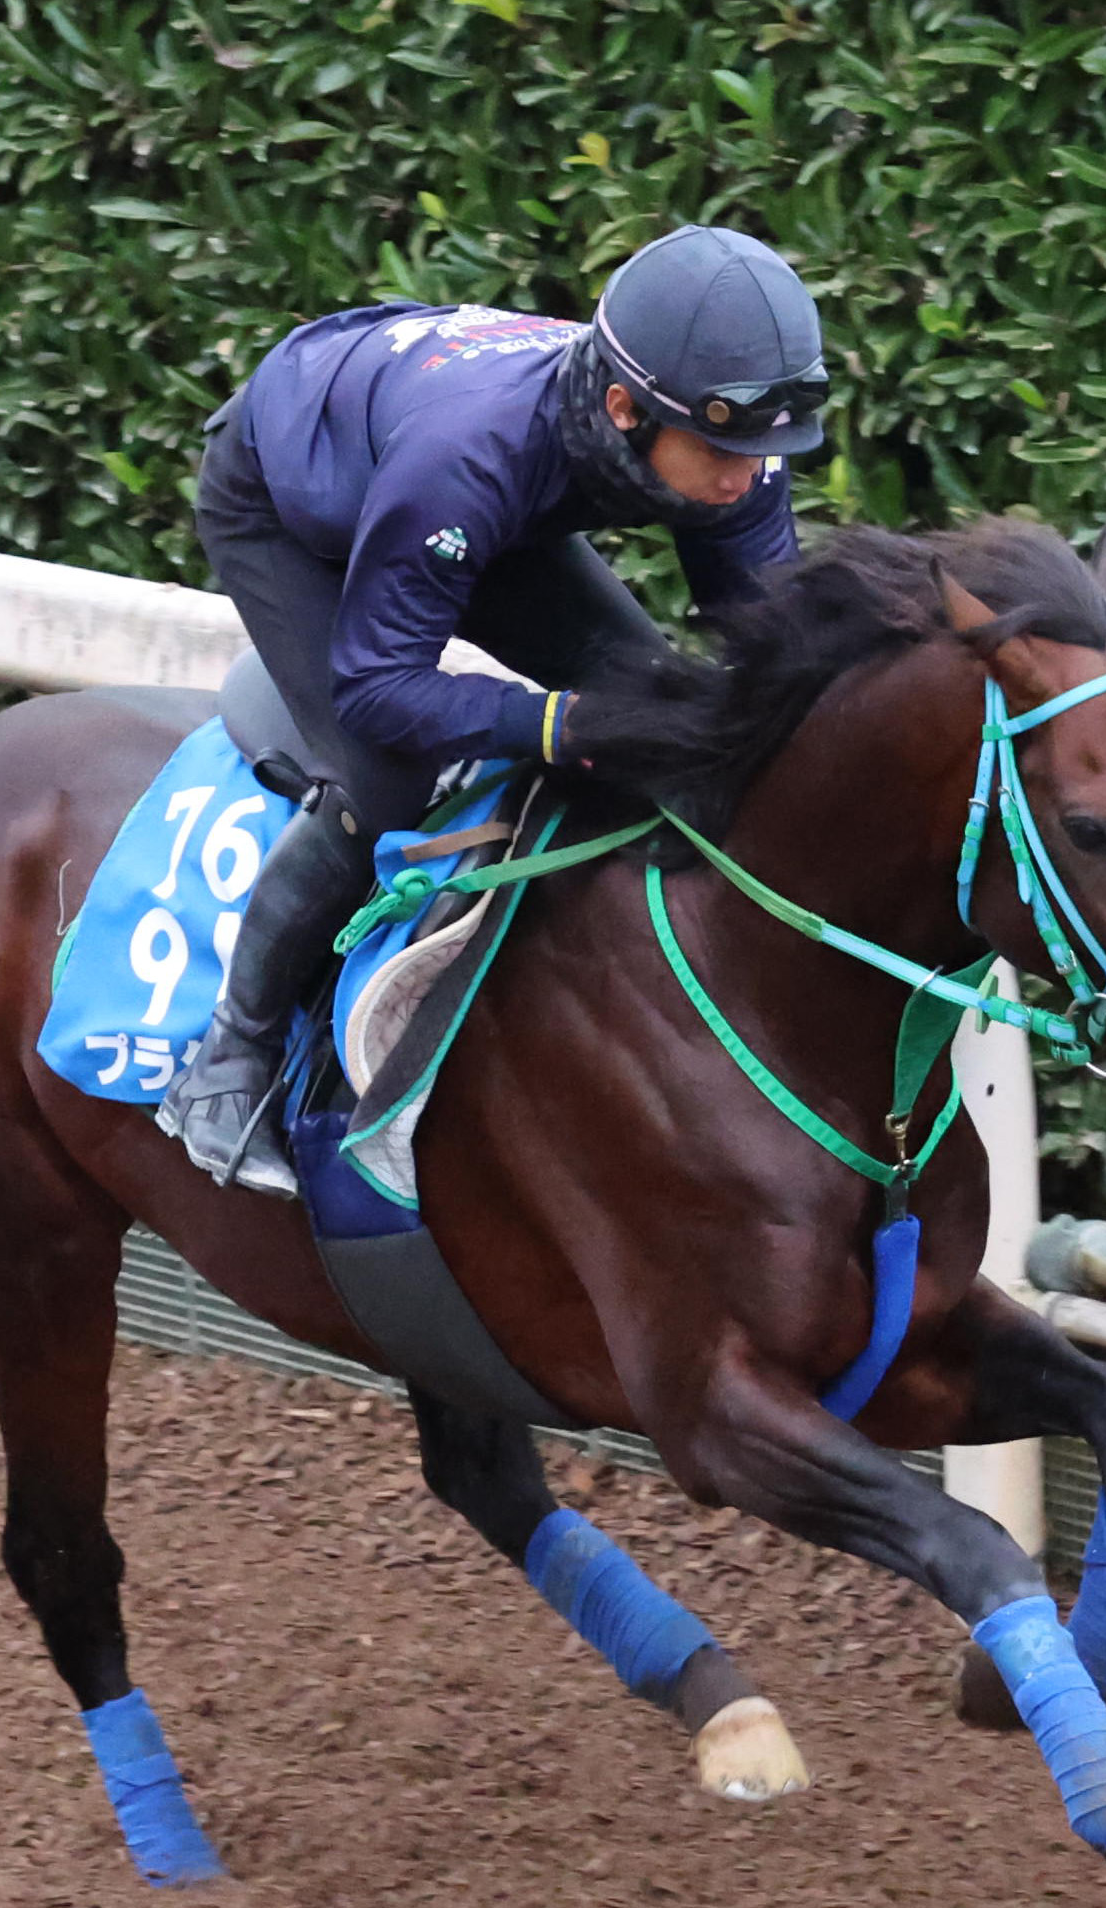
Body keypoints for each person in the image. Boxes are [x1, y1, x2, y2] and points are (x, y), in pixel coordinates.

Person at [159, 223, 830, 1194]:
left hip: (466, 502)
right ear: (622, 408)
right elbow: (378, 684)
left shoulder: (733, 448)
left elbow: (768, 665)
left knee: (662, 711)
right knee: (385, 774)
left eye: (759, 452)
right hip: (288, 493)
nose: (741, 479)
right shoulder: (469, 456)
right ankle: (226, 1058)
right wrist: (557, 723)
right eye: (716, 448)